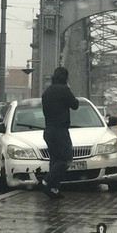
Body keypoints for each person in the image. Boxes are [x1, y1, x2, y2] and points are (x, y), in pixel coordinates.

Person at [40, 66, 79, 199]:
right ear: (65, 78)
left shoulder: (47, 92)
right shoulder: (64, 90)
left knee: (55, 159)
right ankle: (46, 182)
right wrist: (68, 88)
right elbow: (75, 105)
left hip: (49, 130)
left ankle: (54, 189)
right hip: (60, 130)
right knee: (66, 159)